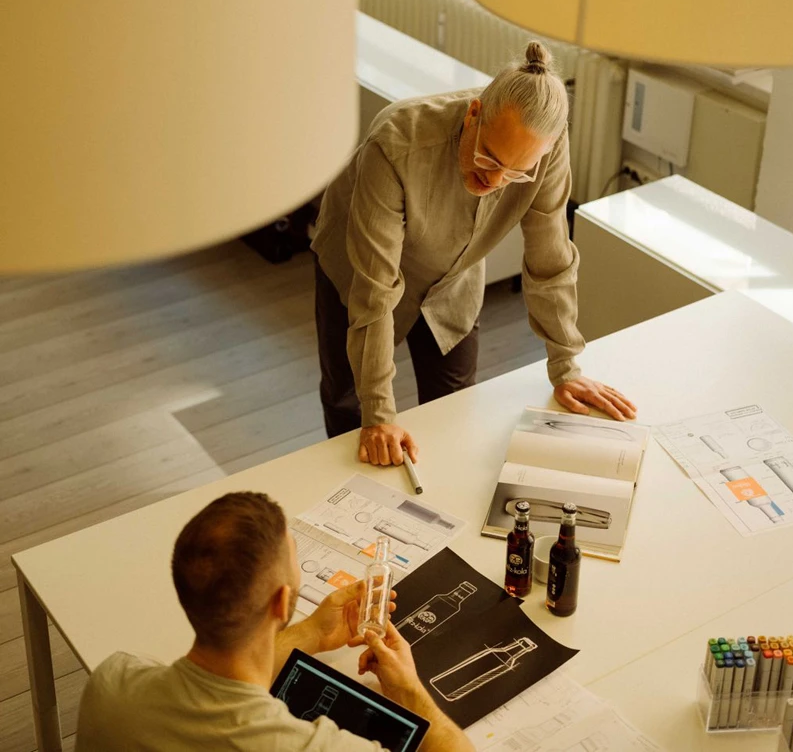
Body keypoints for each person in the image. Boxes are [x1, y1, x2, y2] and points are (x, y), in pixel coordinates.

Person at [312, 41, 637, 467]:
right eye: (489, 158)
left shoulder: (547, 147)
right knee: (349, 400)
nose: (495, 181)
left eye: (515, 172)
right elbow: (375, 292)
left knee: (452, 404)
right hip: (359, 268)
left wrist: (566, 367)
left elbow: (550, 260)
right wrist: (379, 416)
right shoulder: (396, 143)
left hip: (454, 277)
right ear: (473, 115)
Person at [75, 491, 473, 752]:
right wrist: (409, 693)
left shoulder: (112, 683)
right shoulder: (317, 746)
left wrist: (314, 632)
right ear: (282, 602)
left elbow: (222, 676)